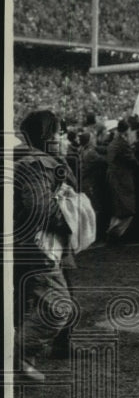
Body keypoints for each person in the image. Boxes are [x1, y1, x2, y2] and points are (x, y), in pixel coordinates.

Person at [13, 108, 78, 380]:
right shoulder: (37, 163)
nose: (64, 139)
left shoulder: (21, 158)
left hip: (20, 246)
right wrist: (69, 219)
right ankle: (17, 355)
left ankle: (22, 359)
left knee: (20, 305)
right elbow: (37, 207)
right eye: (60, 133)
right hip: (37, 247)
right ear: (47, 135)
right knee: (56, 306)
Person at [106, 119, 137, 242]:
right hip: (122, 179)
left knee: (118, 209)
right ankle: (115, 234)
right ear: (126, 130)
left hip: (114, 177)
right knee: (127, 209)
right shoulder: (122, 144)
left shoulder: (114, 142)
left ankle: (113, 233)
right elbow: (133, 161)